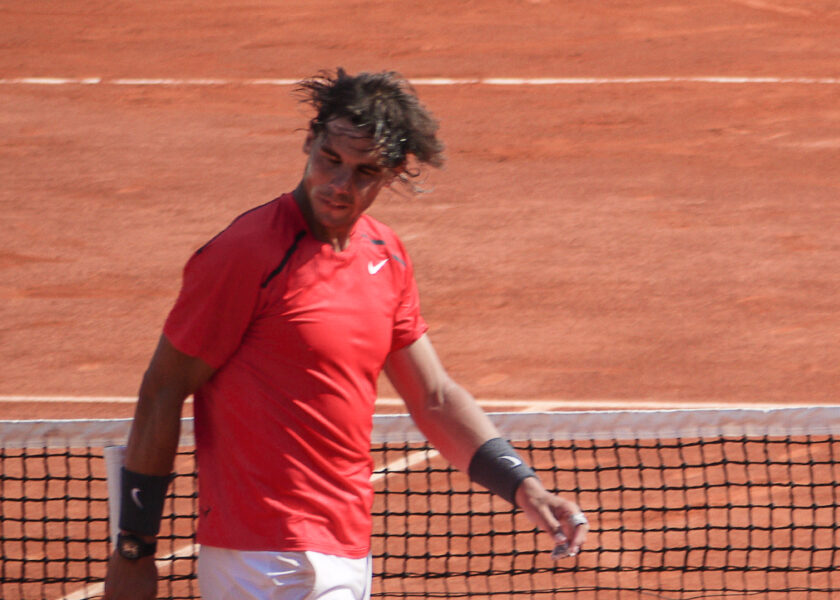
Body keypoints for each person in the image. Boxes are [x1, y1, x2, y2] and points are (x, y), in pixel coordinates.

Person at [103, 68, 588, 600]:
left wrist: (524, 487)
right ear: (310, 141)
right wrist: (134, 550)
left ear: (393, 173)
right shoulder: (244, 254)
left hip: (349, 550)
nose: (339, 185)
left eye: (363, 172)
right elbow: (162, 390)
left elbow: (434, 396)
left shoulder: (387, 254)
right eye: (330, 160)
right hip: (258, 556)